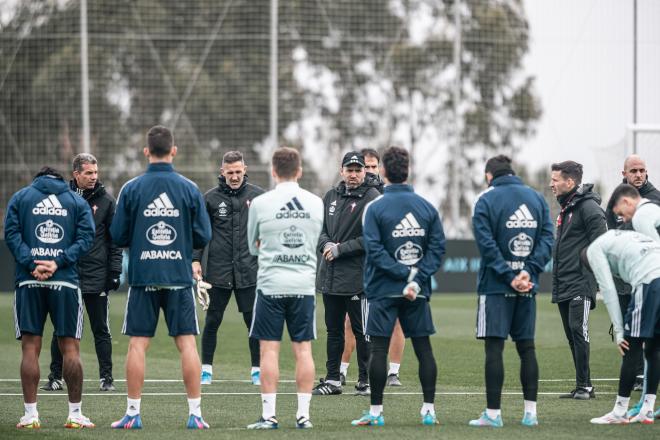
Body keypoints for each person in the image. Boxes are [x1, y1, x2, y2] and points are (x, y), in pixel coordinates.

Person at [109, 126, 212, 429]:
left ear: (146, 152)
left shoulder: (132, 188)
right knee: (188, 344)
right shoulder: (189, 188)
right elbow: (203, 234)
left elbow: (117, 235)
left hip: (143, 277)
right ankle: (195, 415)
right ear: (174, 151)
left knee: (138, 345)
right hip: (179, 276)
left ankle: (132, 413)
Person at [351, 146, 445, 427]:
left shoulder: (374, 207)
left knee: (378, 349)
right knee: (424, 349)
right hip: (417, 291)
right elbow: (437, 249)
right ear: (408, 171)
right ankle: (428, 410)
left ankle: (376, 414)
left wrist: (402, 274)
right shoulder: (427, 207)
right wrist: (415, 277)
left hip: (382, 289)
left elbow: (374, 249)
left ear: (383, 172)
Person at [5, 166, 95, 429]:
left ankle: (31, 415)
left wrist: (32, 263)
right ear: (60, 178)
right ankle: (75, 415)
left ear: (38, 179)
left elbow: (11, 234)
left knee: (30, 347)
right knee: (70, 348)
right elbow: (86, 237)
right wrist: (58, 262)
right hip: (65, 281)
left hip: (29, 279)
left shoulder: (21, 198)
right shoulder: (76, 201)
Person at [468, 155, 554, 428]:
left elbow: (486, 244)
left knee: (494, 350)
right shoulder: (537, 199)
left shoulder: (485, 199)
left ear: (489, 175)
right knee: (526, 349)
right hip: (527, 286)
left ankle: (493, 415)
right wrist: (528, 271)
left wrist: (509, 276)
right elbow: (548, 238)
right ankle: (531, 414)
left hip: (495, 287)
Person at [245, 147, 323, 429]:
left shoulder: (260, 203)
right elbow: (314, 240)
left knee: (269, 351)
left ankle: (269, 416)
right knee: (303, 350)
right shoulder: (316, 203)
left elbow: (251, 246)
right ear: (299, 171)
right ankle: (304, 416)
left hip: (270, 285)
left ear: (273, 171)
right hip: (303, 285)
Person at [40, 154, 122, 393]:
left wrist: (114, 271)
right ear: (76, 174)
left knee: (101, 329)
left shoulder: (106, 201)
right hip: (68, 274)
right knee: (62, 329)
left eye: (96, 172)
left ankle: (106, 378)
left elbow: (114, 241)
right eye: (88, 173)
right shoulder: (61, 199)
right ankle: (55, 377)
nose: (94, 177)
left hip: (97, 277)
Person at [193, 151, 265, 386]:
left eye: (238, 171)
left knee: (252, 322)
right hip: (218, 271)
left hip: (249, 270)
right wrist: (195, 261)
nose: (234, 176)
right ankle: (206, 370)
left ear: (245, 169)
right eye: (230, 172)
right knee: (212, 321)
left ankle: (257, 370)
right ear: (222, 172)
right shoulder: (210, 198)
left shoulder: (259, 197)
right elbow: (200, 235)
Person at [312, 151, 380, 397]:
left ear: (365, 172)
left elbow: (372, 238)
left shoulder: (373, 198)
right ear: (342, 171)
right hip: (330, 278)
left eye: (358, 170)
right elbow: (319, 229)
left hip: (358, 280)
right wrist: (326, 246)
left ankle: (366, 381)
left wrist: (341, 249)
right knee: (334, 331)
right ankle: (332, 380)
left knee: (363, 332)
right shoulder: (330, 196)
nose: (353, 174)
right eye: (349, 170)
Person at [340, 148, 407, 387]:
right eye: (363, 167)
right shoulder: (348, 194)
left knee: (396, 320)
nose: (367, 171)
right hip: (359, 268)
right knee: (351, 321)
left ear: (379, 169)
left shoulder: (387, 196)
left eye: (371, 167)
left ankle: (393, 372)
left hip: (386, 267)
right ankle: (342, 371)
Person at [583, 229, 660, 425]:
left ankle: (619, 412)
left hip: (650, 282)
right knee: (654, 348)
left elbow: (608, 290)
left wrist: (619, 331)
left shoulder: (594, 251)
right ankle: (648, 410)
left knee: (630, 346)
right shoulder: (621, 237)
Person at [550, 160, 607, 400]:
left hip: (580, 282)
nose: (551, 184)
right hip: (564, 281)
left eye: (555, 180)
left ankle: (585, 387)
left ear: (570, 182)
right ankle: (582, 385)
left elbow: (602, 244)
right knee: (572, 334)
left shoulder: (588, 208)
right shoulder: (567, 207)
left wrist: (595, 276)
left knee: (578, 330)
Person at [605, 154, 660, 390]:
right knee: (630, 332)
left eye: (642, 170)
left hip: (648, 277)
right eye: (633, 171)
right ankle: (637, 376)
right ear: (624, 174)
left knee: (651, 332)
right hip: (623, 279)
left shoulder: (656, 200)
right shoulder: (617, 199)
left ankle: (648, 379)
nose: (638, 175)